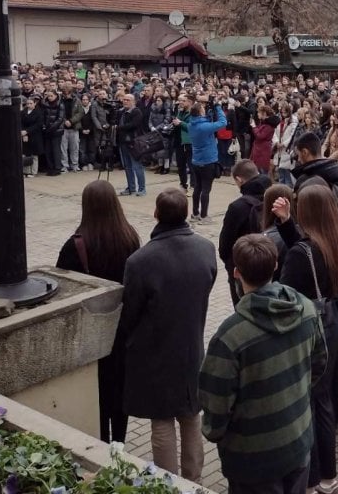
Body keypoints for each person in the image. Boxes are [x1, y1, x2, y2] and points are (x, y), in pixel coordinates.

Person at [200, 235, 327, 494]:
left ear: (236, 272)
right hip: (298, 441)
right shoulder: (306, 309)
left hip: (252, 458)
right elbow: (319, 364)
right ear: (275, 265)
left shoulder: (230, 336)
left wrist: (217, 433)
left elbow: (216, 404)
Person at [119, 188, 217, 480]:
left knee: (161, 421)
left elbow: (129, 314)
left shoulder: (140, 261)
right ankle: (194, 480)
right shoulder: (205, 248)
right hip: (191, 344)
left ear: (156, 214)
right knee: (191, 416)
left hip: (155, 350)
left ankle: (169, 483)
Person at [269, 186, 338, 494]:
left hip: (308, 330)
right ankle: (328, 476)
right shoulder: (337, 238)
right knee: (324, 401)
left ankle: (313, 477)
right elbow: (308, 254)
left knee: (309, 405)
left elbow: (284, 294)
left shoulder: (302, 254)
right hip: (331, 321)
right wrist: (287, 223)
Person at [55, 180, 141, 443]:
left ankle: (102, 444)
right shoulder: (130, 237)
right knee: (120, 392)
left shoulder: (76, 245)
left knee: (99, 393)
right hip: (123, 328)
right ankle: (120, 445)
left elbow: (63, 288)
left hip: (91, 331)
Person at [220, 159, 272, 304]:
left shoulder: (238, 207)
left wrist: (232, 268)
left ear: (239, 179)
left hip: (243, 268)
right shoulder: (273, 196)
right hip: (269, 265)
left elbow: (225, 246)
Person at [187, 101, 229, 223]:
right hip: (208, 160)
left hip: (196, 160)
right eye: (203, 108)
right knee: (206, 189)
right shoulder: (204, 127)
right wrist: (218, 107)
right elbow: (223, 122)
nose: (204, 109)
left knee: (197, 188)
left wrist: (209, 113)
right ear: (200, 112)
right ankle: (204, 216)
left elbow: (204, 120)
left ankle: (195, 213)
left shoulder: (191, 124)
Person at [116, 94, 147, 196]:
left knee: (137, 166)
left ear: (133, 102)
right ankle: (131, 188)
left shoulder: (136, 112)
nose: (125, 102)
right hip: (123, 142)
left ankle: (142, 189)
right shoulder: (121, 112)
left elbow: (133, 125)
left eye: (128, 100)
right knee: (127, 166)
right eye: (124, 100)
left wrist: (119, 127)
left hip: (133, 142)